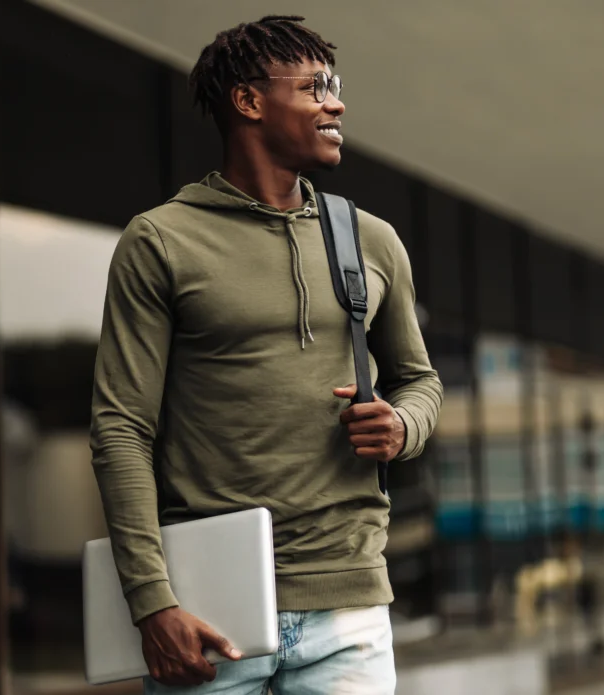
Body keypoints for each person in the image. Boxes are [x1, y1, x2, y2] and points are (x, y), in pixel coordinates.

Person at [89, 15, 443, 694]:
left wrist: (402, 426)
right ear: (249, 102)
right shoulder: (161, 241)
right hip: (207, 610)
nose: (335, 103)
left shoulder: (371, 240)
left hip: (349, 606)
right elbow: (121, 427)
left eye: (334, 87)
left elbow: (420, 381)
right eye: (315, 88)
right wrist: (151, 600)